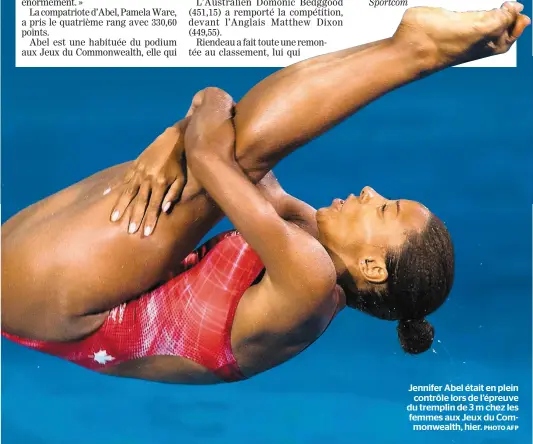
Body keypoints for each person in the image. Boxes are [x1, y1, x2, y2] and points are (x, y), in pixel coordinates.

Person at [1, 4, 529, 384]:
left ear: (373, 266)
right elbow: (242, 161)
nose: (370, 190)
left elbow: (215, 155)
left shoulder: (309, 281)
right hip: (50, 302)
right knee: (240, 152)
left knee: (233, 152)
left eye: (385, 208)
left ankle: (413, 51)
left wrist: (204, 103)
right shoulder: (308, 251)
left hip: (63, 302)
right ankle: (412, 49)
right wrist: (184, 134)